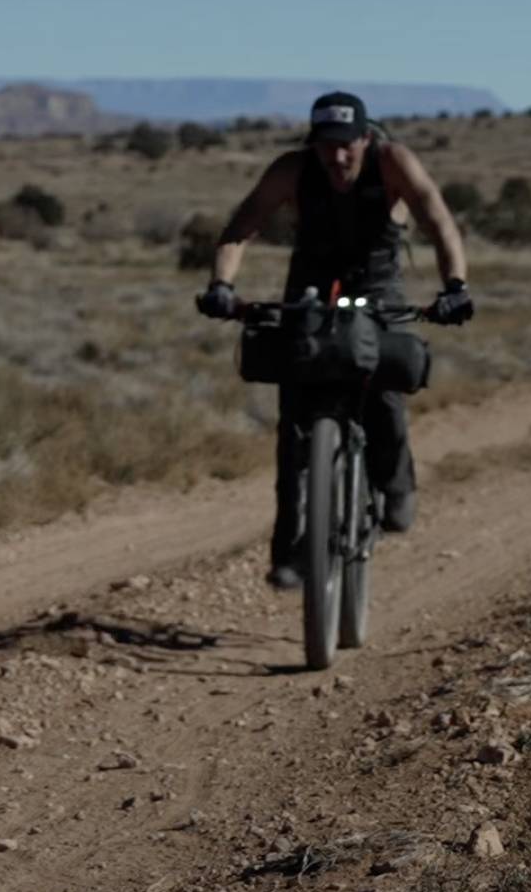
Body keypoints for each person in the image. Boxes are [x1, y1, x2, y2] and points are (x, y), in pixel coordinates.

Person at [198, 91, 471, 589]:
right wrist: (221, 285)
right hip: (310, 287)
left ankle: (395, 487)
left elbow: (437, 219)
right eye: (326, 146)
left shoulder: (393, 163)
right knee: (294, 425)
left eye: (347, 145)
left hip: (379, 286)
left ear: (365, 138)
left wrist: (454, 286)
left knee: (384, 380)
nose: (337, 156)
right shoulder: (292, 169)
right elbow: (243, 225)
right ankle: (288, 553)